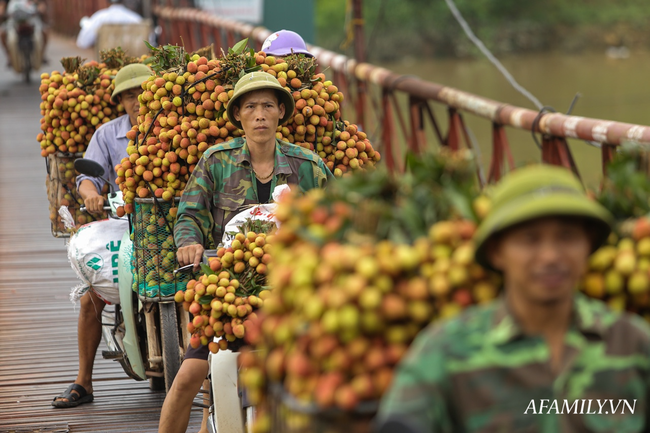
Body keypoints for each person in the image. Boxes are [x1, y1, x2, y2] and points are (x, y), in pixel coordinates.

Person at [375, 165, 650, 432]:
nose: (551, 256)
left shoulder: (632, 343)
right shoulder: (447, 352)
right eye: (530, 239)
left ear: (588, 245)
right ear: (496, 252)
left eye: (567, 237)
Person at [158, 72, 333, 432]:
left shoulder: (309, 167)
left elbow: (338, 218)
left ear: (281, 112)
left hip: (294, 287)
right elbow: (190, 214)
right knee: (190, 372)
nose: (260, 115)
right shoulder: (216, 161)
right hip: (229, 285)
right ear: (238, 114)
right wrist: (189, 243)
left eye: (268, 106)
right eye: (250, 107)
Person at [52, 63, 153, 408]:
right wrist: (91, 193)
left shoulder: (172, 130)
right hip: (122, 224)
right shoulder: (107, 134)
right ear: (120, 101)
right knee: (90, 298)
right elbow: (87, 177)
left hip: (166, 223)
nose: (137, 101)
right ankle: (84, 381)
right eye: (129, 96)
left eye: (142, 92)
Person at [75, 0, 142, 50]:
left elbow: (82, 42)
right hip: (132, 64)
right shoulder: (135, 19)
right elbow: (149, 43)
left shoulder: (100, 17)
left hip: (104, 66)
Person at [0, 0, 48, 67]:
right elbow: (2, 5)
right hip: (13, 21)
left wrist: (41, 8)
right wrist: (2, 11)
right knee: (2, 33)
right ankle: (9, 57)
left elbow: (40, 4)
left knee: (45, 32)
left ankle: (42, 55)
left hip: (31, 20)